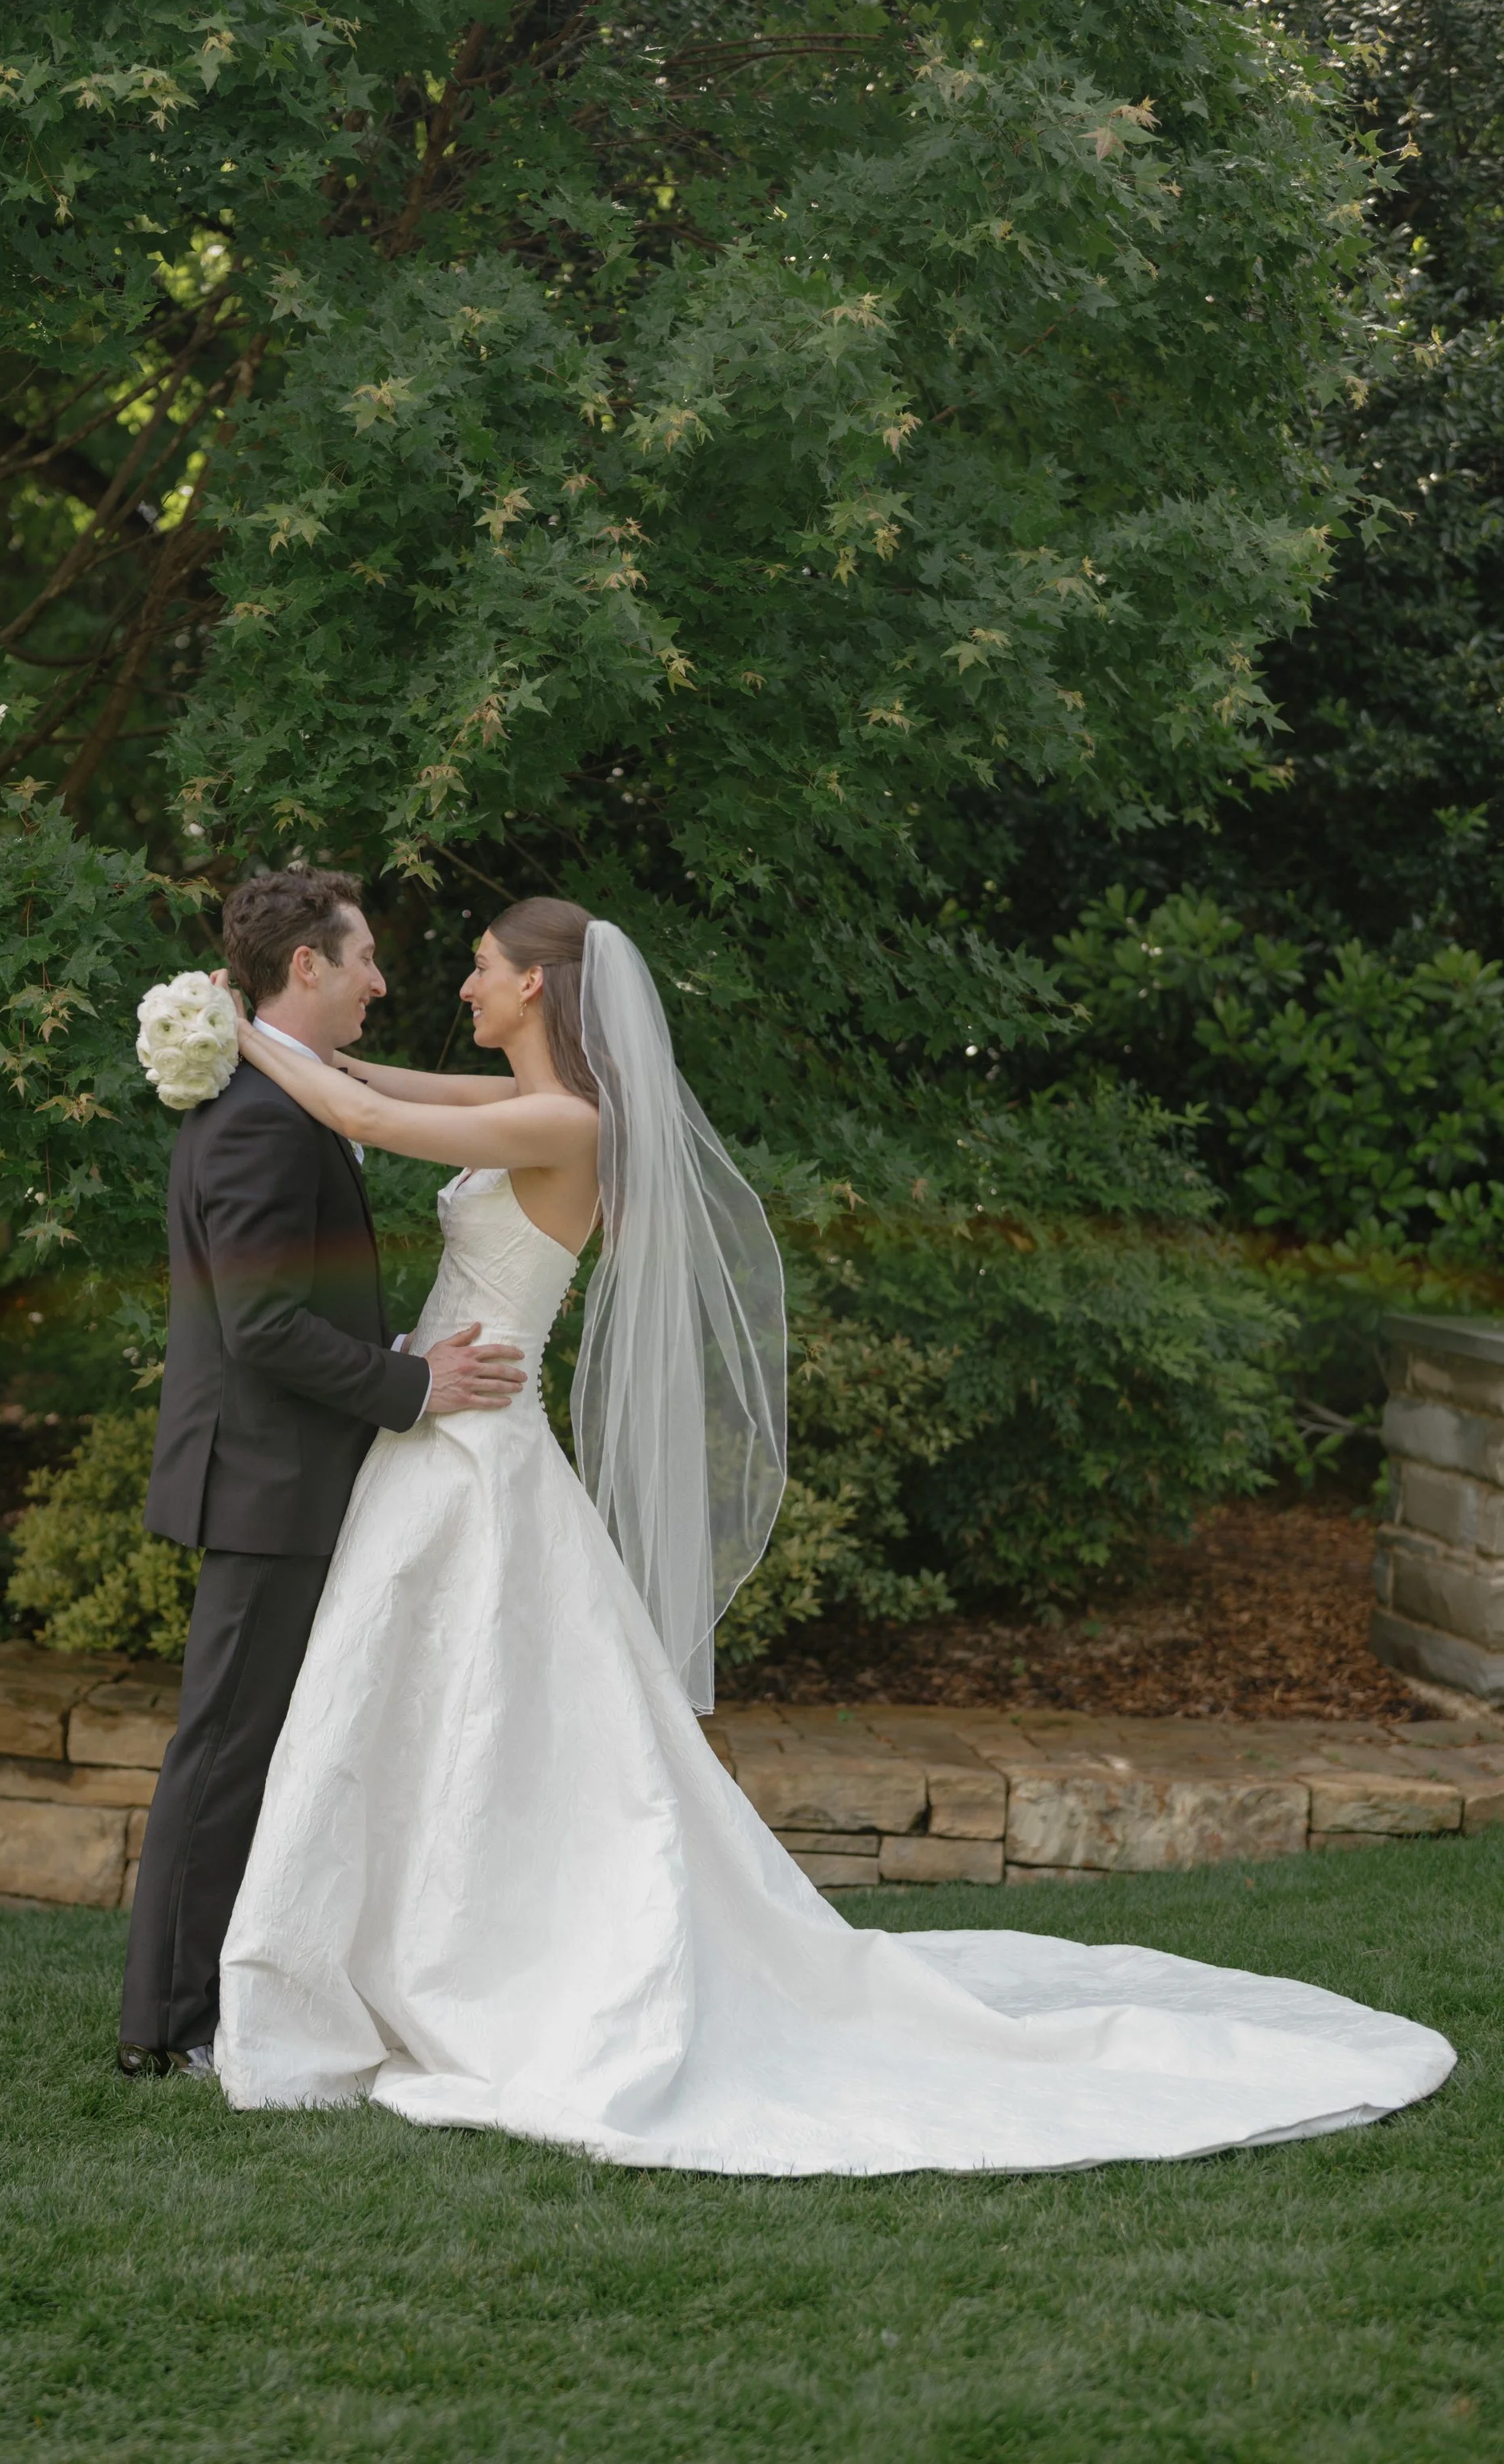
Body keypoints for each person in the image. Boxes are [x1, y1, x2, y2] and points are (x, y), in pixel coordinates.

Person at [204, 896, 1453, 2174]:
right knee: (442, 1712)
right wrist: (284, 1040)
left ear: (536, 987)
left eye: (480, 968)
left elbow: (359, 1115)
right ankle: (410, 1955)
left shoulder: (567, 1120)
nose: (459, 984)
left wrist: (225, 1024)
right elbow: (364, 1076)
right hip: (450, 1440)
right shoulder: (521, 1097)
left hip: (478, 1451)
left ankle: (476, 1963)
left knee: (479, 1713)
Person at [115, 867, 527, 2080]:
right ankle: (168, 2027)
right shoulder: (254, 1114)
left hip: (286, 1470)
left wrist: (394, 1350)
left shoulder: (286, 1097)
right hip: (262, 1477)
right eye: (364, 960)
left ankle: (227, 1995)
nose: (381, 982)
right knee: (225, 1750)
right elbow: (261, 1328)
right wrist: (413, 1388)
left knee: (256, 1746)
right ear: (308, 967)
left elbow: (295, 1309)